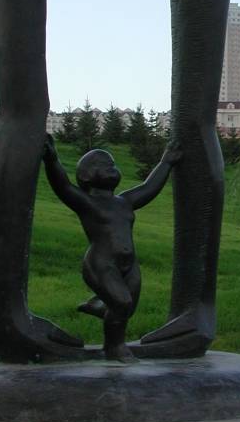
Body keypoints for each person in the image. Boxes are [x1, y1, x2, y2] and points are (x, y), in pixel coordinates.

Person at [42, 135, 181, 361]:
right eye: (104, 165)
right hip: (101, 264)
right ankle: (114, 347)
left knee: (128, 307)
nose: (111, 167)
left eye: (112, 164)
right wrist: (52, 159)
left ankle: (100, 306)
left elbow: (149, 187)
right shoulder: (86, 202)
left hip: (129, 264)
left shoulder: (124, 201)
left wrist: (166, 162)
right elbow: (62, 186)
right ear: (86, 175)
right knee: (122, 303)